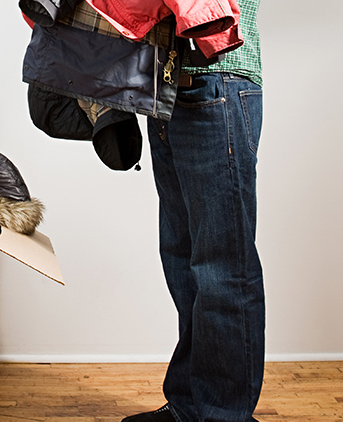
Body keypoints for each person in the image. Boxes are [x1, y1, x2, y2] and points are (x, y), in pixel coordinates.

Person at [123, 0, 265, 421]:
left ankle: (225, 415)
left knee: (223, 266)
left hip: (217, 79)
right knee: (184, 262)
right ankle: (189, 405)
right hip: (167, 88)